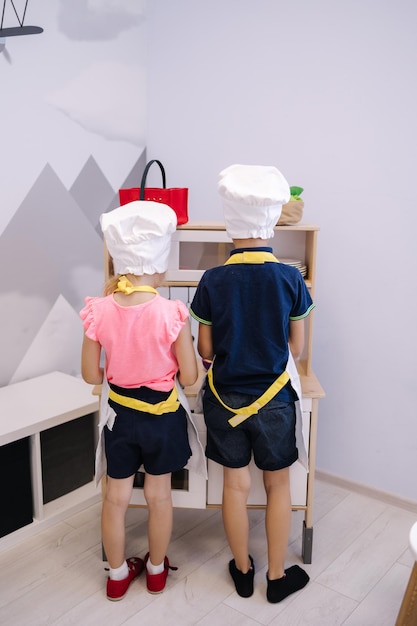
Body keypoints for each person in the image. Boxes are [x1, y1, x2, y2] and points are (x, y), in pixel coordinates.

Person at [190, 164, 313, 603]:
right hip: (275, 399)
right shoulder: (290, 277)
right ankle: (277, 578)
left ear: (230, 222)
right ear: (273, 220)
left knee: (235, 485)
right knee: (278, 484)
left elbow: (205, 349)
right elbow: (295, 348)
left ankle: (243, 570)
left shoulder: (212, 279)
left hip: (225, 399)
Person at [80, 200, 199, 601]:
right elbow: (189, 376)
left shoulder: (98, 309)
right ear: (159, 264)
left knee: (115, 499)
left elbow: (91, 375)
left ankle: (116, 575)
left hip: (121, 419)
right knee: (158, 497)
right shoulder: (172, 312)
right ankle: (155, 571)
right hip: (162, 418)